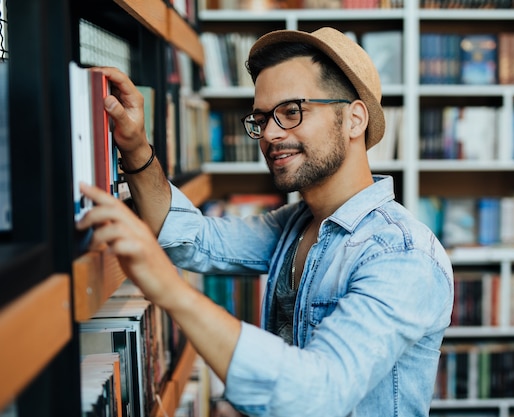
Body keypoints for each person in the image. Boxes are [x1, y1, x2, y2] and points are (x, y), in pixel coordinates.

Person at [77, 27, 454, 417]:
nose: (270, 134)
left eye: (292, 112)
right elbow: (190, 238)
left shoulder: (403, 255)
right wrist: (136, 146)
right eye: (261, 118)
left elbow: (320, 394)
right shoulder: (294, 224)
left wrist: (170, 290)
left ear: (354, 119)